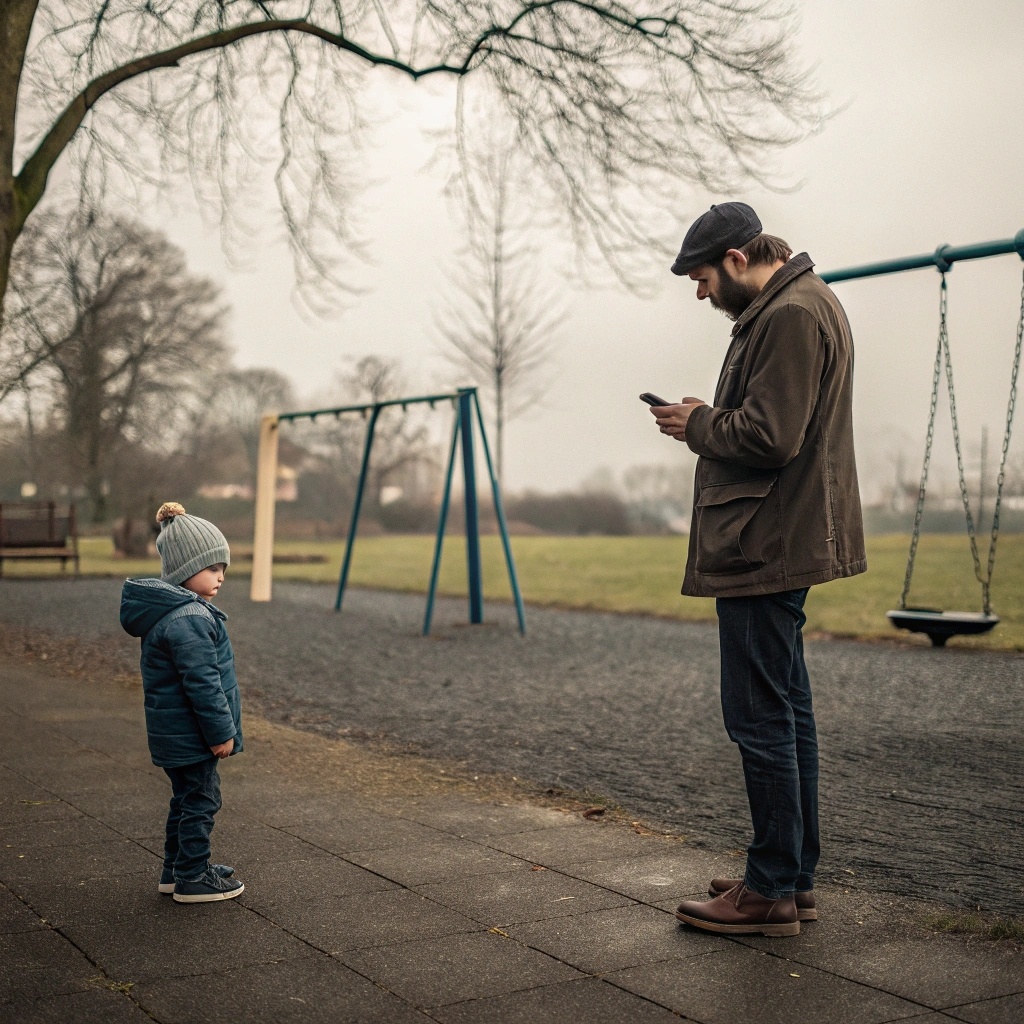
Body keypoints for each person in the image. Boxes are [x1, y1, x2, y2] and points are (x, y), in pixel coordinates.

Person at [650, 202, 866, 937]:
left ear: (738, 260)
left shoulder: (788, 315)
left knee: (758, 717)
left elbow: (772, 436)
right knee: (786, 711)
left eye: (704, 278)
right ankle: (790, 877)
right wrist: (711, 417)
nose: (701, 293)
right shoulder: (803, 304)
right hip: (776, 536)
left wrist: (698, 424)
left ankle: (770, 890)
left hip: (762, 542)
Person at [120, 502, 245, 903]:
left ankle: (175, 871)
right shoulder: (189, 618)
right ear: (184, 569)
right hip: (193, 736)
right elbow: (203, 685)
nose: (220, 576)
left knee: (186, 798)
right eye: (212, 568)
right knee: (203, 800)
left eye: (223, 568)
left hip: (176, 735)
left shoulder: (175, 613)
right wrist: (222, 734)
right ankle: (193, 876)